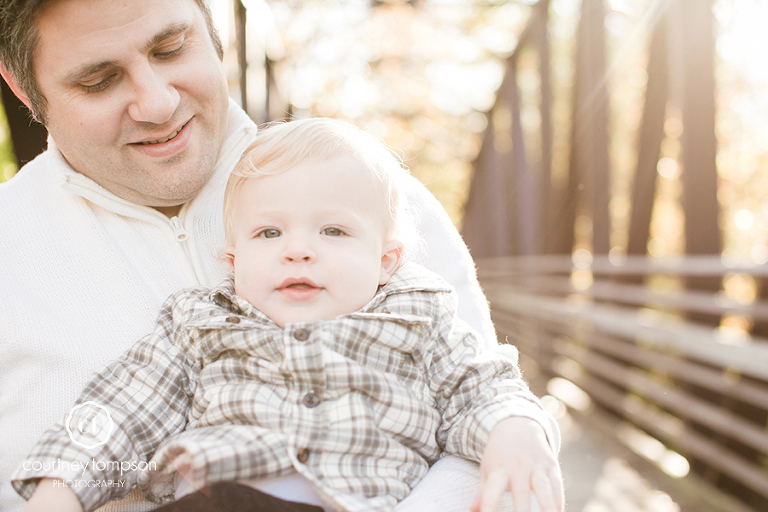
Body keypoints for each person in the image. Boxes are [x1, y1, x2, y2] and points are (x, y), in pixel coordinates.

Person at [0, 1, 562, 511]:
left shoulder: (370, 193)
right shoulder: (187, 318)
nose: (159, 102)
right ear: (24, 92)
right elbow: (117, 418)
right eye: (99, 81)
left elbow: (482, 404)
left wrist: (519, 426)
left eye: (171, 49)